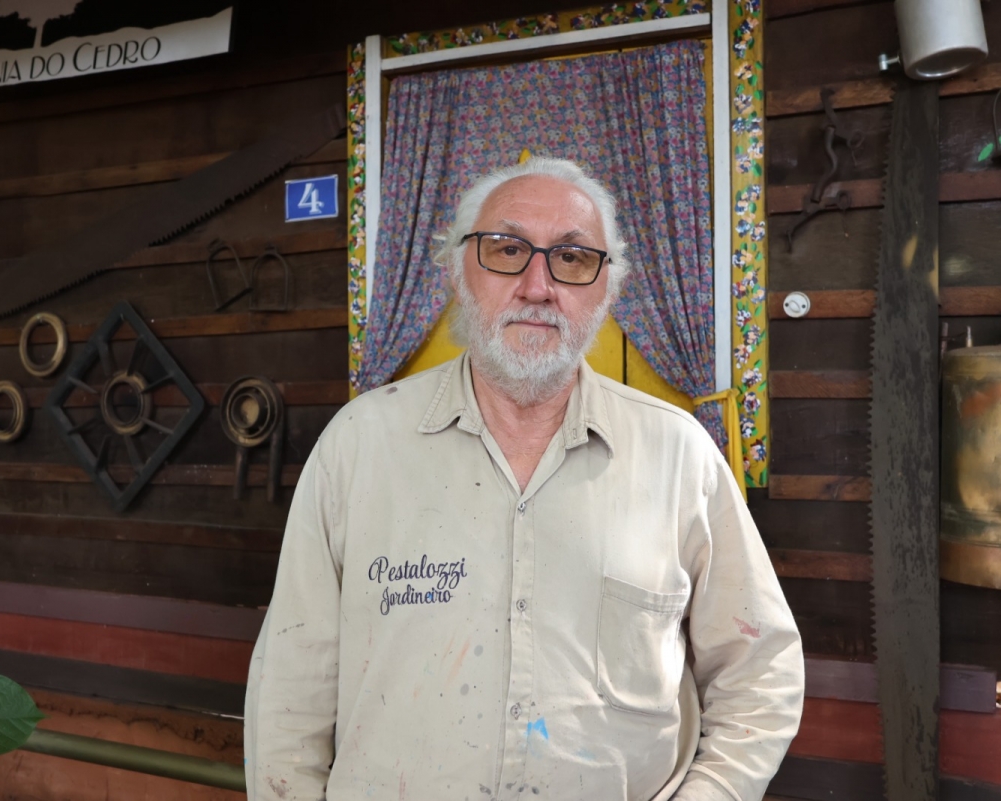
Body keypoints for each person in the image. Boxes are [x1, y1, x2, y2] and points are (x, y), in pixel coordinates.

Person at [244, 157, 804, 801]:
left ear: (607, 289)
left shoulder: (680, 456)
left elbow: (761, 673)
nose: (538, 286)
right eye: (507, 250)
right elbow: (291, 688)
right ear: (458, 272)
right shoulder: (357, 446)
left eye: (572, 257)